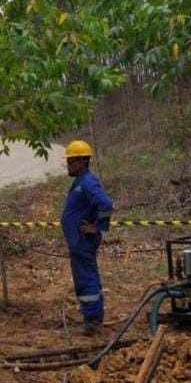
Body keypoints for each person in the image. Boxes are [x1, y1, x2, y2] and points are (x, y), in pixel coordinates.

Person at [61, 140, 113, 335]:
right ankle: (92, 316)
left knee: (86, 278)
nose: (68, 165)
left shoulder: (88, 182)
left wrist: (97, 226)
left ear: (82, 161)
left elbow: (106, 204)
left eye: (70, 161)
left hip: (83, 241)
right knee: (87, 276)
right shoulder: (80, 182)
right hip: (78, 241)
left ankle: (92, 321)